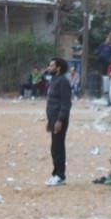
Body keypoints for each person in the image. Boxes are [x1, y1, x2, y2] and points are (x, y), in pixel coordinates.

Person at [44, 57, 72, 187]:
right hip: (53, 119)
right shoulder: (54, 80)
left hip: (59, 120)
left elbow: (66, 103)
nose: (49, 68)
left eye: (51, 66)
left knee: (58, 147)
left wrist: (60, 120)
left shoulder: (63, 82)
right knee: (54, 147)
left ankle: (60, 176)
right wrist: (50, 120)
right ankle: (55, 174)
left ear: (58, 68)